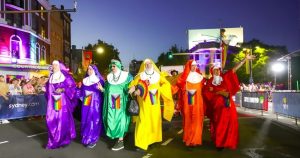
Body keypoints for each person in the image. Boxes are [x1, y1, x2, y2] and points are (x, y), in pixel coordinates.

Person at [204, 54, 255, 150]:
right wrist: (219, 92)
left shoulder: (225, 77)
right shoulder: (210, 82)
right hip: (218, 108)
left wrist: (244, 59)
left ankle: (227, 141)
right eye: (215, 70)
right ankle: (219, 143)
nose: (217, 71)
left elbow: (234, 69)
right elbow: (206, 93)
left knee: (230, 124)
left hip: (228, 105)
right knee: (220, 125)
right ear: (212, 71)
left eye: (218, 69)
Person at [128, 59, 174, 151]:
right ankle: (140, 143)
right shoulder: (140, 76)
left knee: (154, 122)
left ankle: (152, 141)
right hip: (143, 104)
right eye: (146, 63)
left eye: (150, 63)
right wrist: (133, 89)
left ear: (152, 64)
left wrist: (160, 89)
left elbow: (166, 84)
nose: (148, 64)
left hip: (154, 104)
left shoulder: (158, 76)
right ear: (144, 66)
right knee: (142, 122)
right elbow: (132, 85)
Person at [45, 60, 77, 149]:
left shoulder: (66, 76)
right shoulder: (51, 77)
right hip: (53, 102)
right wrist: (45, 90)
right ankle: (54, 139)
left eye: (55, 65)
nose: (53, 66)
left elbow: (73, 87)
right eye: (53, 65)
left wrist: (63, 89)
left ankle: (64, 140)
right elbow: (48, 90)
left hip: (62, 102)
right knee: (51, 120)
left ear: (60, 66)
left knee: (62, 121)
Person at [102, 59, 133, 151]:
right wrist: (102, 89)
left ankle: (120, 141)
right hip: (112, 103)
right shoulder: (109, 77)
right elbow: (107, 91)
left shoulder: (127, 76)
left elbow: (133, 85)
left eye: (114, 66)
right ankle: (117, 135)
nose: (112, 67)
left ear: (119, 66)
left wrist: (132, 88)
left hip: (122, 102)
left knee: (121, 119)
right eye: (111, 66)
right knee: (112, 119)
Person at [176, 60, 205, 147]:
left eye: (195, 65)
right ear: (188, 66)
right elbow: (178, 87)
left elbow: (203, 90)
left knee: (197, 120)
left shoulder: (200, 77)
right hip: (188, 102)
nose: (194, 67)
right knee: (188, 120)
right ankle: (188, 139)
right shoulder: (184, 78)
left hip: (198, 102)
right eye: (192, 65)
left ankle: (195, 140)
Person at [80, 65, 105, 148]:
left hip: (95, 104)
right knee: (86, 119)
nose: (89, 70)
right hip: (86, 102)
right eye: (88, 69)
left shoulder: (100, 81)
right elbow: (80, 92)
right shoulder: (84, 80)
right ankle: (86, 136)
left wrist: (101, 89)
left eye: (91, 69)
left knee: (93, 120)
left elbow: (104, 92)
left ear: (94, 71)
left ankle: (93, 139)